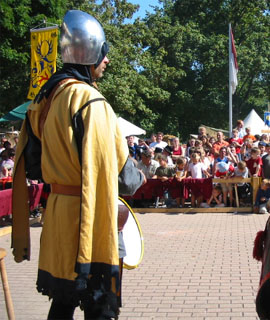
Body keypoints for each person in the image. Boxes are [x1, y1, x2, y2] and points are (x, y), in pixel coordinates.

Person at [12, 10, 145, 320]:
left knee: (63, 304)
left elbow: (32, 167)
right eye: (103, 54)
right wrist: (140, 175)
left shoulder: (46, 98)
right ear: (91, 52)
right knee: (99, 308)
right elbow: (123, 178)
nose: (106, 61)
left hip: (59, 214)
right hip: (90, 218)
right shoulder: (90, 102)